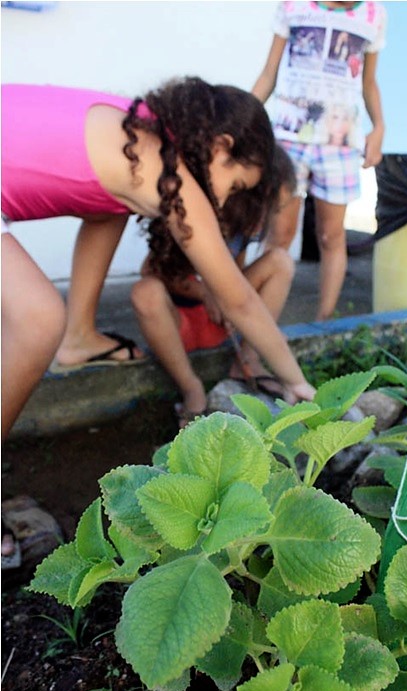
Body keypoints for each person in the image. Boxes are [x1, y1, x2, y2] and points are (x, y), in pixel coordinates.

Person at [1, 78, 316, 559]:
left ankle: (79, 336)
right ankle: (64, 331)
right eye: (235, 185)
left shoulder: (136, 132)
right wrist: (295, 382)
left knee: (109, 206)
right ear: (220, 147)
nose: (227, 201)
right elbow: (240, 301)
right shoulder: (167, 175)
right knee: (38, 318)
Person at [132, 145, 299, 427]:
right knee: (144, 292)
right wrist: (204, 291)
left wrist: (231, 302)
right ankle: (191, 388)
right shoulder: (190, 212)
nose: (266, 217)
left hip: (220, 322)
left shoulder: (245, 226)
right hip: (180, 324)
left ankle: (247, 360)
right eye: (267, 205)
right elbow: (150, 269)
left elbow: (238, 275)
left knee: (280, 262)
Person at [252, 1, 387, 321]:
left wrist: (379, 126)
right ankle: (257, 327)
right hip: (288, 139)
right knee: (280, 234)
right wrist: (242, 119)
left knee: (331, 235)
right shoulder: (293, 6)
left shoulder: (373, 14)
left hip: (339, 143)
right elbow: (269, 72)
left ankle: (322, 327)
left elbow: (368, 82)